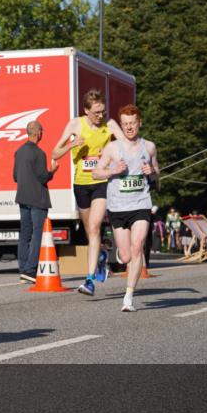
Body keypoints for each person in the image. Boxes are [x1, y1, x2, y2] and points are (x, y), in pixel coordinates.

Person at [51, 89, 125, 296]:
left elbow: (126, 146)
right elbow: (55, 152)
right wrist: (72, 144)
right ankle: (101, 254)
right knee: (89, 231)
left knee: (94, 226)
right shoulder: (75, 124)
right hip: (81, 184)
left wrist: (116, 154)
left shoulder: (109, 125)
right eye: (96, 112)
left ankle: (89, 280)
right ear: (86, 110)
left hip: (102, 182)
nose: (100, 116)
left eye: (103, 111)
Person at [92, 104, 159, 312]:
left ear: (140, 122)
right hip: (118, 207)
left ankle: (128, 296)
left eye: (132, 123)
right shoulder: (113, 148)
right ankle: (116, 254)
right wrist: (113, 170)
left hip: (141, 204)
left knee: (137, 246)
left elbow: (158, 176)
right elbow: (96, 173)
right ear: (121, 125)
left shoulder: (149, 147)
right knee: (127, 256)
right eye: (125, 124)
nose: (129, 127)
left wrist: (152, 172)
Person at [13, 120, 55, 282]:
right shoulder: (39, 153)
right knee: (38, 234)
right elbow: (43, 176)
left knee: (25, 234)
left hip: (23, 198)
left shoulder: (19, 151)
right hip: (38, 199)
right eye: (42, 131)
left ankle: (23, 269)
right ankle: (31, 271)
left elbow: (15, 177)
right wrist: (52, 171)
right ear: (38, 133)